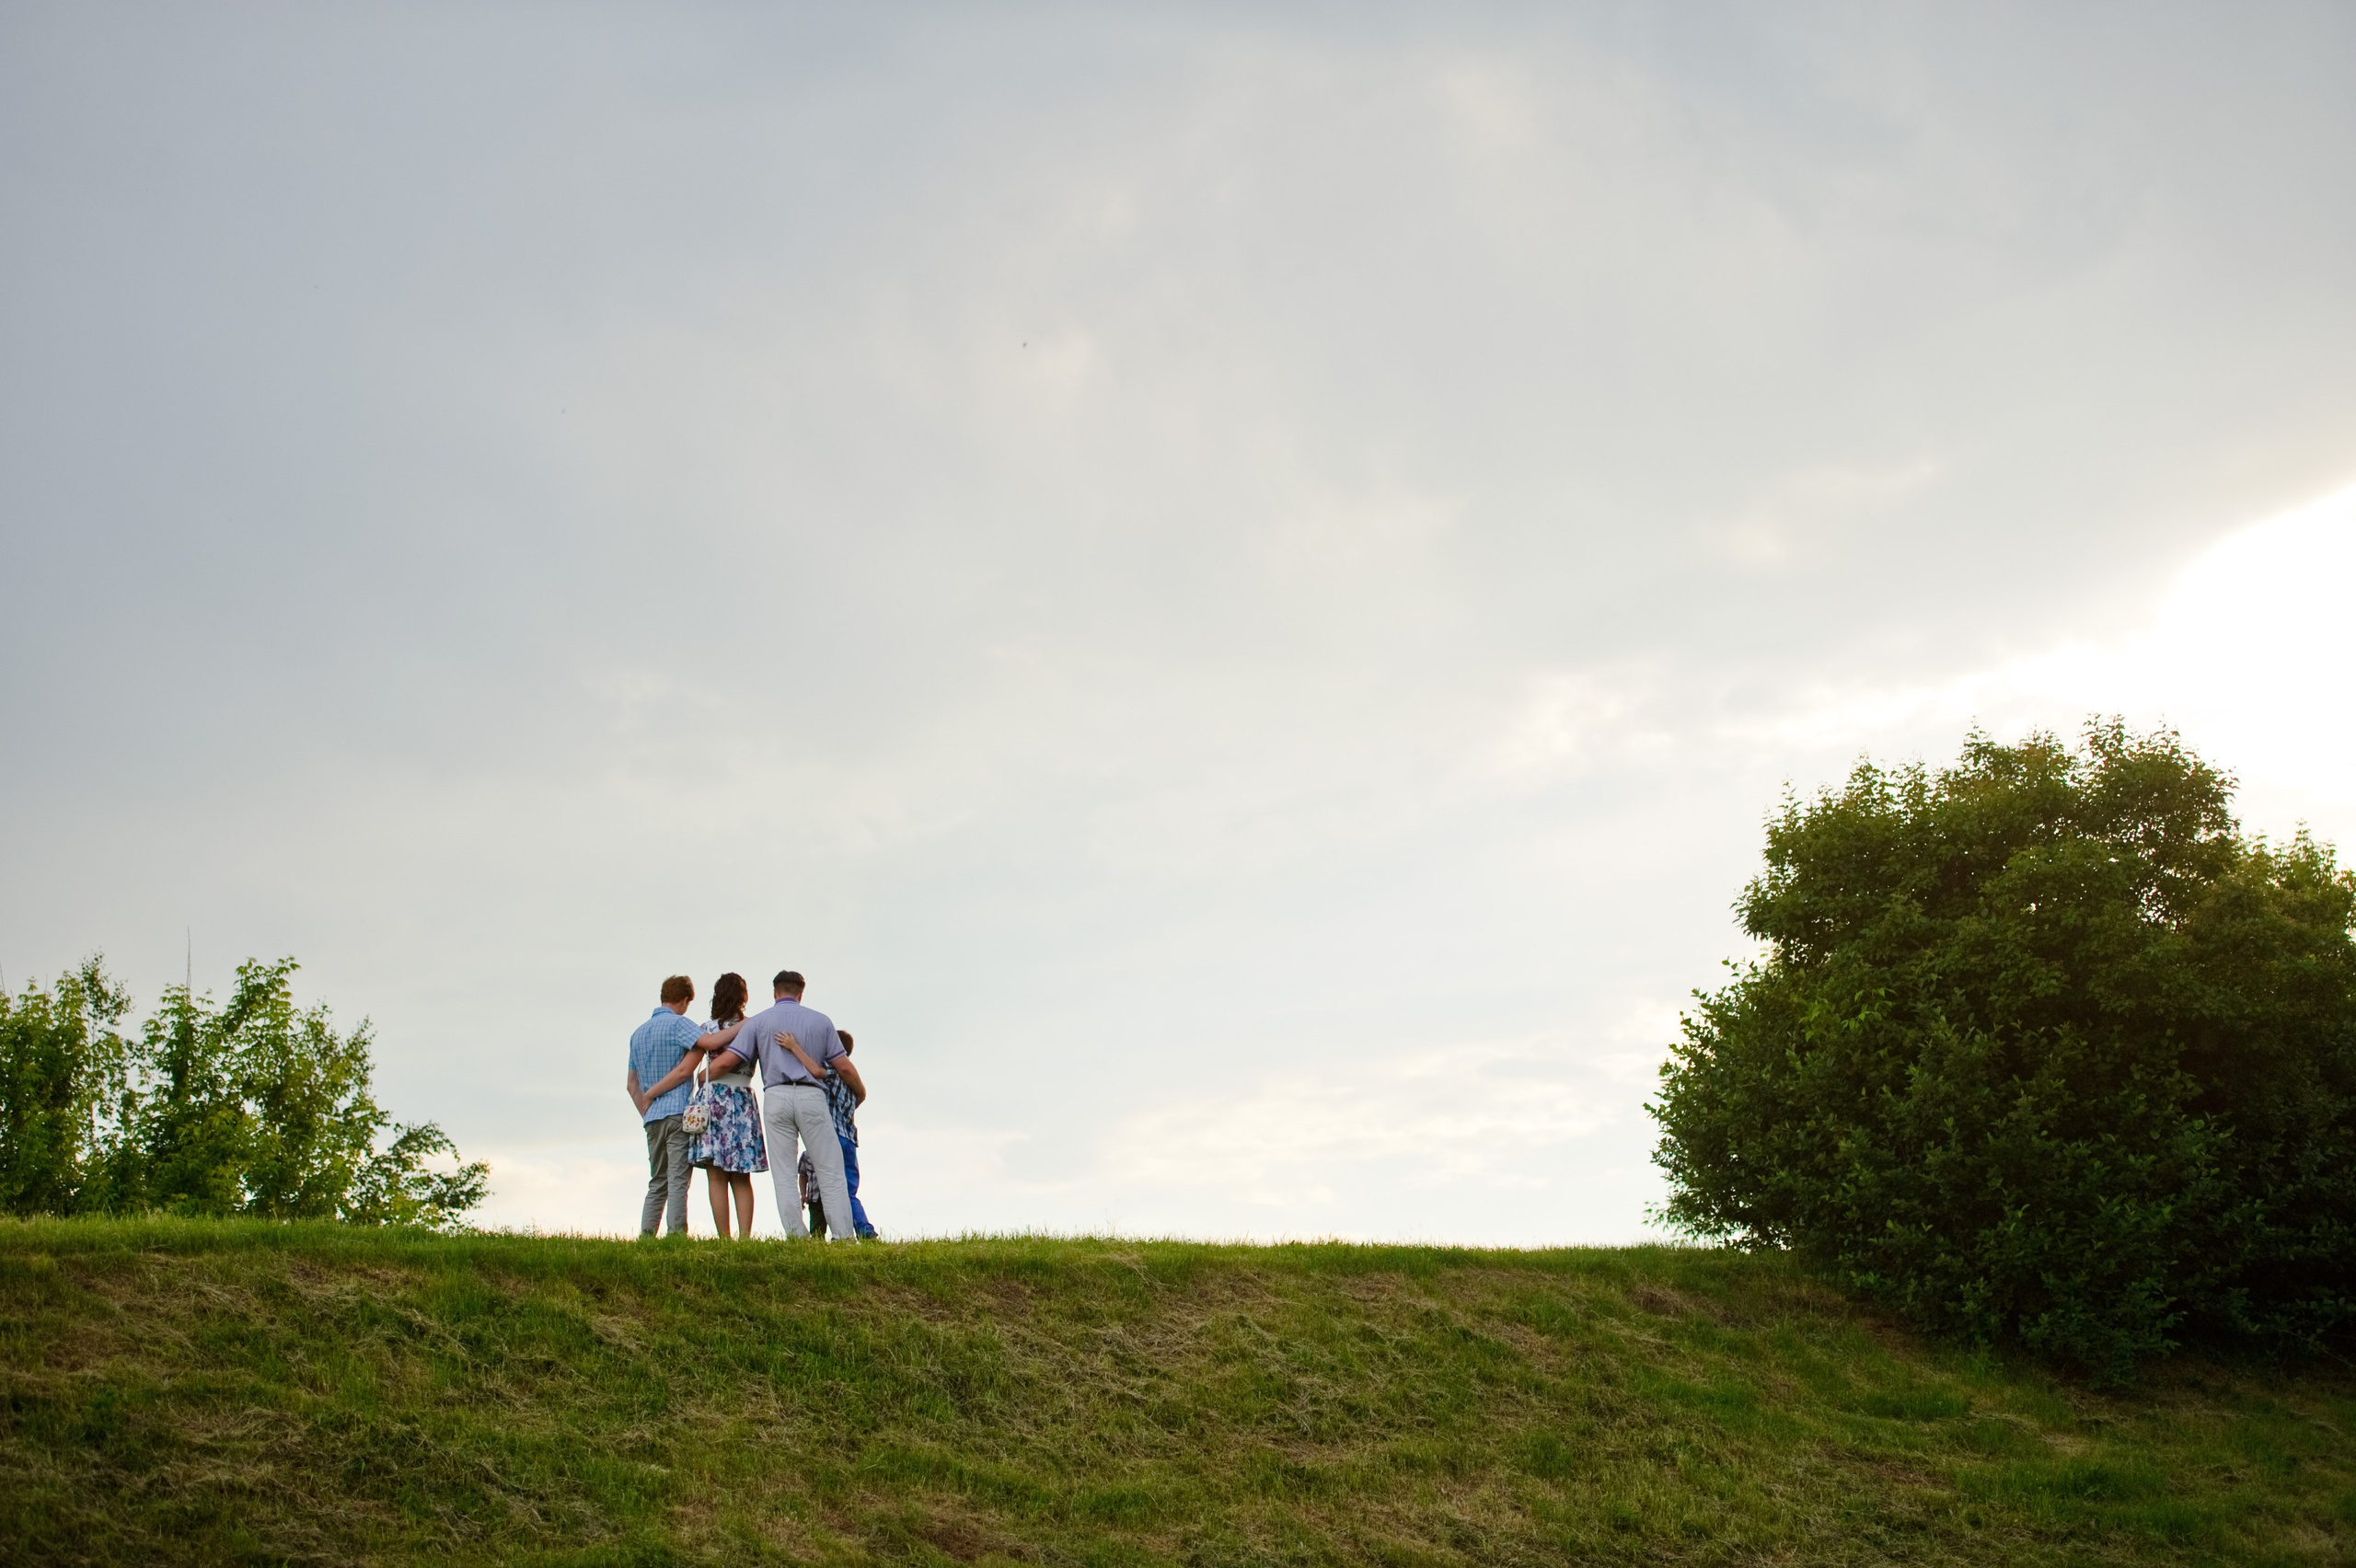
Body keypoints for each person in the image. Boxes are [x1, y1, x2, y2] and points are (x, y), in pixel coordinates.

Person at [699, 969, 865, 1240]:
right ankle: (844, 1237)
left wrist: (703, 1075)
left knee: (785, 1172)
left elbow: (730, 1060)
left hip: (776, 1095)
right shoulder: (820, 1021)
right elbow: (844, 1067)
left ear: (775, 993)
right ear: (800, 993)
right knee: (830, 1169)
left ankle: (797, 1236)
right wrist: (860, 1094)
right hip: (812, 1096)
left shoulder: (760, 1021)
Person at [687, 972, 767, 1238]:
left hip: (713, 1098)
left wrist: (703, 1077)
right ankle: (745, 1236)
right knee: (742, 1176)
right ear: (744, 997)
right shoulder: (754, 1026)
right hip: (743, 1096)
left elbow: (694, 1067)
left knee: (716, 1175)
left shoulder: (706, 1028)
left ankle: (724, 1237)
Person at [625, 974, 703, 1238]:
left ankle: (647, 1236)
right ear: (683, 1001)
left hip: (652, 1118)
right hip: (678, 1113)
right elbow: (688, 1065)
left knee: (657, 1180)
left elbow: (631, 1085)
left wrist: (646, 1110)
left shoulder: (638, 1034)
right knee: (678, 1180)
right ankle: (676, 1236)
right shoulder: (680, 1025)